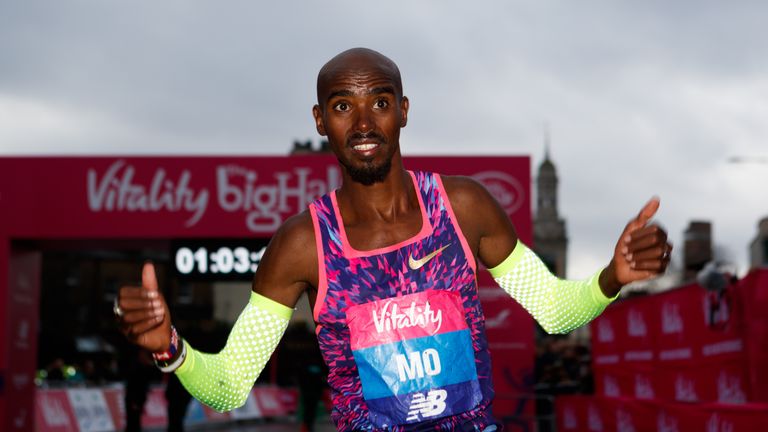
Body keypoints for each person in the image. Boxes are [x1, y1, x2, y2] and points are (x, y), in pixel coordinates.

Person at [115, 47, 671, 431]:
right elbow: (230, 386)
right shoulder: (301, 244)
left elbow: (554, 310)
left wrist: (610, 278)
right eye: (342, 106)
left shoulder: (464, 206)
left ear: (402, 111)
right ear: (319, 120)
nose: (362, 123)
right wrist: (172, 349)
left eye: (378, 102)